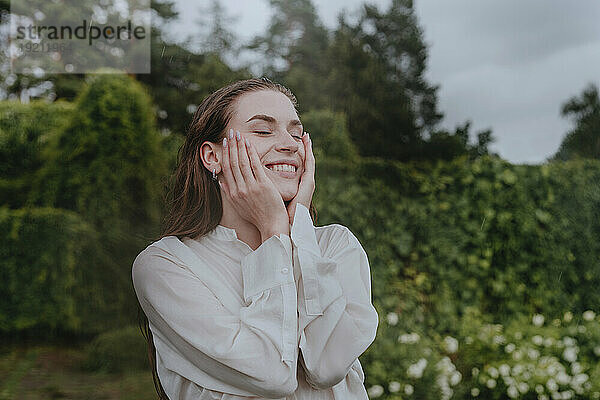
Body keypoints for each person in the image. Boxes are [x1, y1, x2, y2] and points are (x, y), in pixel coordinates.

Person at [131, 77, 379, 399]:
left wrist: (297, 231)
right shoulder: (166, 265)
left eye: (295, 131)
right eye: (263, 131)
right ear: (212, 157)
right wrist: (274, 231)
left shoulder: (335, 246)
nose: (289, 144)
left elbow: (326, 366)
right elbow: (272, 374)